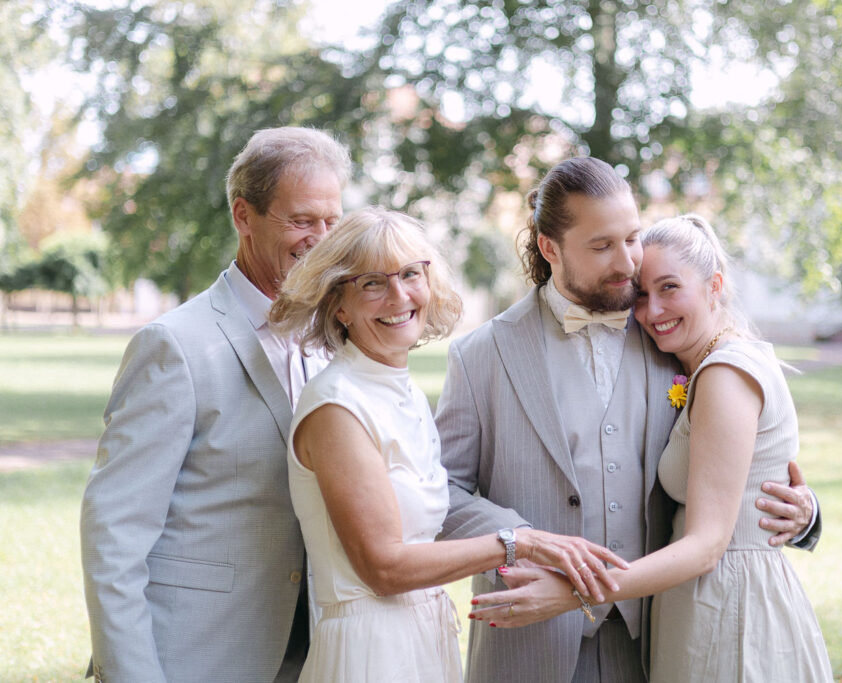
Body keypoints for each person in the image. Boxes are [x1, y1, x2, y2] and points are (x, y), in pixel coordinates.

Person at [435, 156, 821, 683]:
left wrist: (805, 512)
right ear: (550, 249)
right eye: (601, 246)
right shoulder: (482, 354)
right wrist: (521, 540)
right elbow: (442, 492)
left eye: (632, 239)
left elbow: (742, 459)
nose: (627, 264)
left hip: (653, 636)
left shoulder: (669, 331)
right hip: (529, 636)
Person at [266, 206, 629, 683]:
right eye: (372, 283)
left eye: (410, 274)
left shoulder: (402, 390)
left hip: (426, 641)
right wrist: (518, 543)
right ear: (339, 304)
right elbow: (385, 569)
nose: (399, 295)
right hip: (369, 653)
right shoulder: (337, 406)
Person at [80, 126, 350, 683]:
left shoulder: (335, 339)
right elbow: (113, 535)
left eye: (332, 221)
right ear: (243, 216)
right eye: (301, 220)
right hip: (196, 656)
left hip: (317, 655)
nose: (321, 239)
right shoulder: (174, 345)